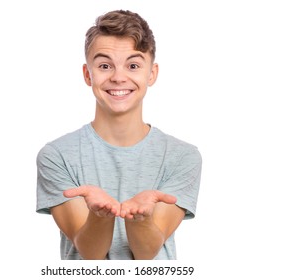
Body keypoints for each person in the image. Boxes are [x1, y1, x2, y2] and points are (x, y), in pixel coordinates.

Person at [36, 10, 202, 260]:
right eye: (104, 65)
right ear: (87, 74)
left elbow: (147, 253)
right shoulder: (56, 156)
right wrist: (99, 217)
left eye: (133, 65)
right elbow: (90, 254)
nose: (118, 77)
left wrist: (140, 219)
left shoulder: (182, 156)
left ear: (152, 73)